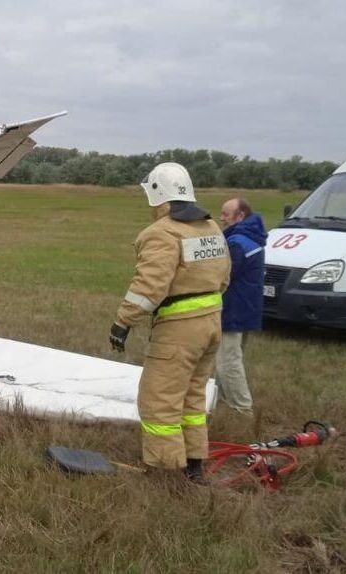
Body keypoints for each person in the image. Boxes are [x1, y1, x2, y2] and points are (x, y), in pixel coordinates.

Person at [109, 162, 230, 482]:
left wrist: (123, 322)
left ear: (156, 194)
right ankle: (194, 465)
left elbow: (150, 287)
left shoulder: (162, 233)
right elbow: (224, 279)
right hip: (212, 323)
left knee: (158, 400)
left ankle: (164, 472)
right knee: (192, 397)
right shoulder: (212, 228)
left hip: (179, 329)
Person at [215, 198, 266, 414]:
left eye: (226, 214)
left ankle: (243, 409)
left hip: (234, 309)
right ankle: (223, 402)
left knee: (227, 363)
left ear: (240, 216)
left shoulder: (237, 242)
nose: (221, 218)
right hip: (247, 307)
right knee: (227, 359)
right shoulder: (252, 237)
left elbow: (223, 277)